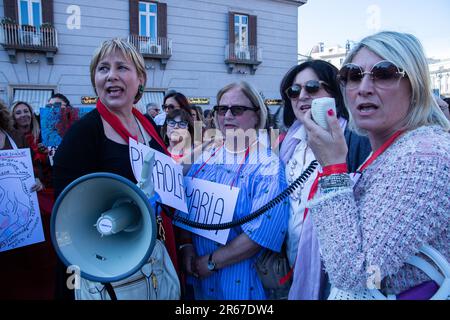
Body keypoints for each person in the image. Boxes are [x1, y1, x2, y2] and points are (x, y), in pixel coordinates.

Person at [302, 31, 449, 297]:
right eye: (353, 75)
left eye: (384, 74)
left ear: (415, 85)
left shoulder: (425, 157)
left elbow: (357, 273)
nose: (364, 87)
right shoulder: (391, 148)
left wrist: (333, 168)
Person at [52, 38, 179, 299]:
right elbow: (68, 220)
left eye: (122, 67)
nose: (111, 76)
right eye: (103, 68)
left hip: (152, 254)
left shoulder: (147, 125)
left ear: (140, 78)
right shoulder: (83, 134)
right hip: (108, 264)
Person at [179, 81, 289, 299]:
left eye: (237, 109)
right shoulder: (206, 155)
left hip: (240, 283)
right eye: (222, 109)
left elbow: (260, 234)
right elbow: (182, 200)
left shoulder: (268, 166)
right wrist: (186, 247)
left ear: (257, 115)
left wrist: (211, 262)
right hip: (198, 280)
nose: (227, 115)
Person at [278, 60, 371, 300]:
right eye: (294, 90)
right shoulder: (289, 143)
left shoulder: (355, 139)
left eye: (312, 87)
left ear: (333, 92)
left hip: (336, 269)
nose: (302, 96)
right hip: (293, 256)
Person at [0, 100, 56, 299]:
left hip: (22, 217)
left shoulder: (16, 137)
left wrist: (38, 181)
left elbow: (32, 169)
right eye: (19, 112)